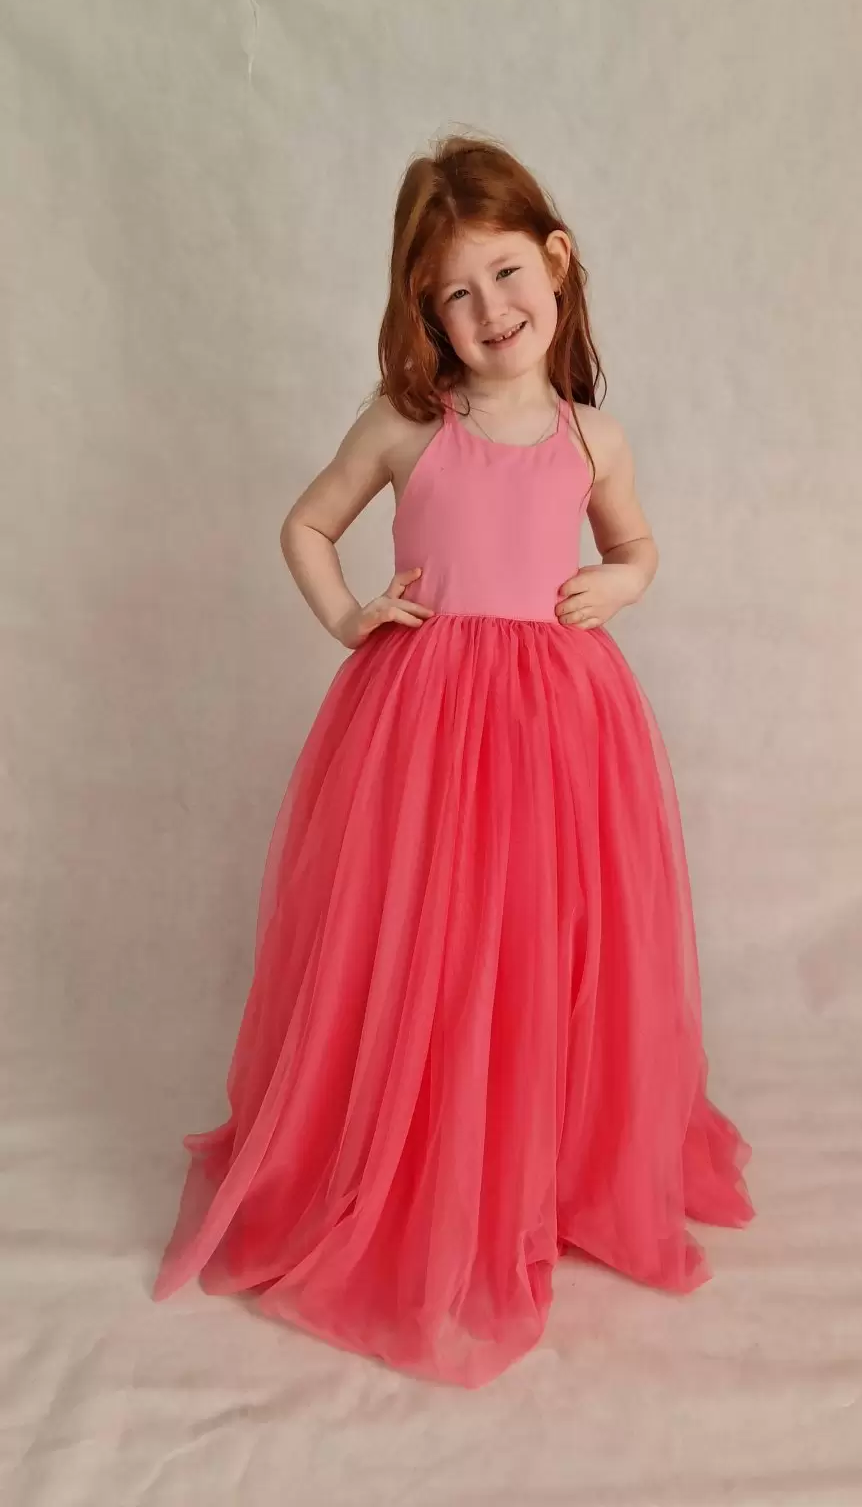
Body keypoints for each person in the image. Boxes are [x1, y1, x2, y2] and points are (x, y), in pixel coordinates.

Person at [154, 133, 753, 1387]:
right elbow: (307, 522)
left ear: (556, 260)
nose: (489, 311)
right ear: (426, 313)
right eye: (453, 294)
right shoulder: (407, 423)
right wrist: (347, 614)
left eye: (505, 274)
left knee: (539, 929)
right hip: (422, 724)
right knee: (428, 930)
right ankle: (423, 1147)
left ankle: (540, 1152)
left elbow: (637, 546)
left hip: (561, 725)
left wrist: (618, 583)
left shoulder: (592, 437)